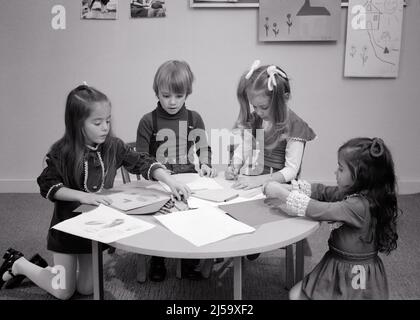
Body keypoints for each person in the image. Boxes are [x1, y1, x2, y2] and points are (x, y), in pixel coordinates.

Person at [0, 84, 190, 300]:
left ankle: (52, 272)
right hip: (66, 231)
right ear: (77, 124)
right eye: (97, 122)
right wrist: (83, 196)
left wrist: (168, 180)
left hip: (94, 230)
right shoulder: (62, 152)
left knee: (87, 288)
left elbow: (141, 162)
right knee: (63, 291)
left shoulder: (113, 146)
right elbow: (47, 184)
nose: (105, 127)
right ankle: (20, 263)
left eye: (108, 121)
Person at [263, 137, 400, 300]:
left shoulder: (358, 206)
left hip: (352, 273)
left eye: (341, 169)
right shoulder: (355, 194)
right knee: (295, 294)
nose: (335, 172)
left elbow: (319, 209)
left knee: (295, 295)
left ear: (360, 176)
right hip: (339, 264)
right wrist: (290, 187)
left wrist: (281, 193)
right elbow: (323, 191)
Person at [136, 60, 216, 281]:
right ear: (157, 93)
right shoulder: (148, 121)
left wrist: (207, 164)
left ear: (187, 94)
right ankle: (157, 259)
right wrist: (157, 175)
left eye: (178, 96)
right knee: (159, 217)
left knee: (193, 212)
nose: (172, 102)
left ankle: (188, 259)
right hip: (159, 180)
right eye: (166, 95)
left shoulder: (194, 118)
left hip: (188, 177)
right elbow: (141, 158)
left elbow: (203, 147)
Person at [225, 60, 316, 190]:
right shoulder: (256, 119)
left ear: (284, 98)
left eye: (264, 107)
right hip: (257, 183)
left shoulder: (295, 125)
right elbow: (245, 147)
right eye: (254, 106)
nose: (258, 112)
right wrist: (234, 166)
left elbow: (291, 170)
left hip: (282, 189)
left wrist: (259, 180)